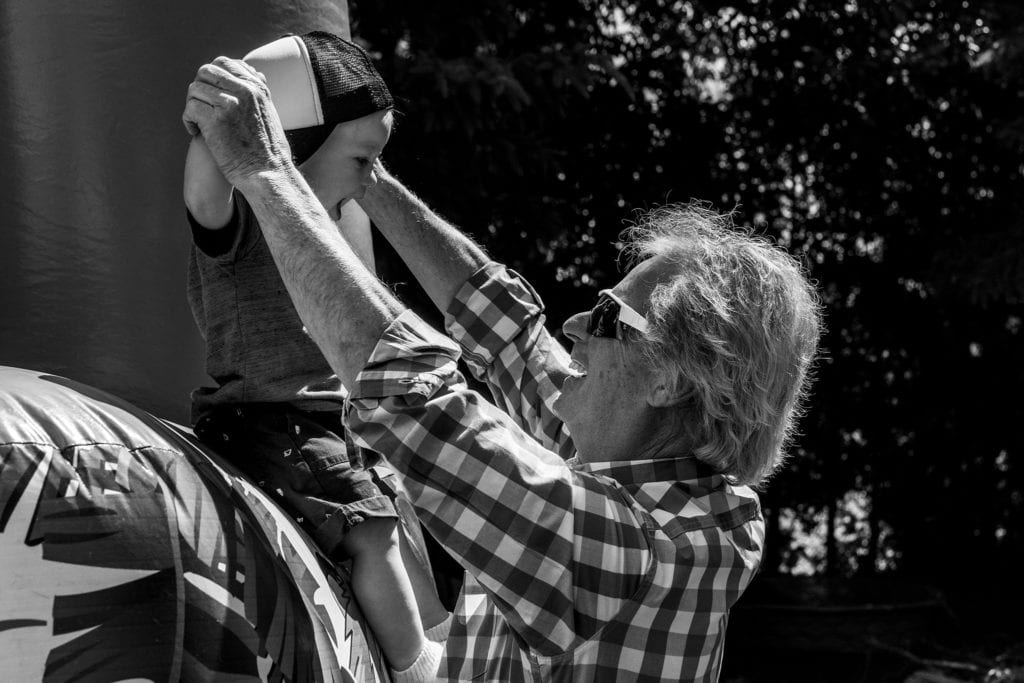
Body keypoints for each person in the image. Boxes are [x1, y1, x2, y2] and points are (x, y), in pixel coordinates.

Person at [182, 54, 823, 682]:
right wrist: (362, 172)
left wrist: (266, 170)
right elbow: (509, 334)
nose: (573, 327)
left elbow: (415, 401)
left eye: (607, 319)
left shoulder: (631, 551)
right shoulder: (645, 471)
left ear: (669, 379)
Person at [182, 32, 447, 682]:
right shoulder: (244, 218)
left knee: (406, 509)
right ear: (292, 147)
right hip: (269, 419)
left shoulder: (330, 221)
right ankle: (414, 665)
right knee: (370, 526)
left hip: (327, 423)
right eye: (362, 158)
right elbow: (203, 193)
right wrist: (217, 117)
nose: (372, 178)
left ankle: (439, 639)